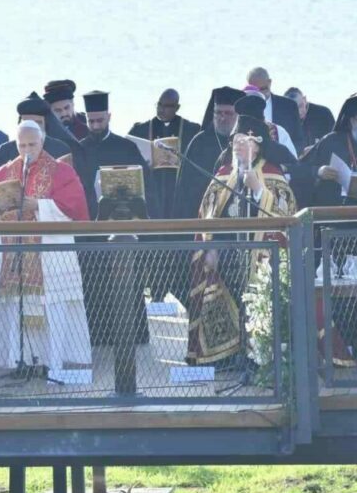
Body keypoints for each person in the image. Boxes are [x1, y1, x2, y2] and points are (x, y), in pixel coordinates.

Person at [186, 96, 297, 367]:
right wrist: (210, 247)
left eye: (246, 144)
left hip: (262, 257)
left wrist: (259, 190)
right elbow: (208, 212)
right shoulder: (224, 172)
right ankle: (225, 355)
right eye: (236, 143)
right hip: (227, 257)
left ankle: (261, 357)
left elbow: (285, 215)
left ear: (258, 146)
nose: (240, 149)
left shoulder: (272, 173)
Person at [0, 120, 92, 371]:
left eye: (32, 144)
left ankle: (56, 361)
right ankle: (15, 360)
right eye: (22, 145)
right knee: (14, 306)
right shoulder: (4, 172)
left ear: (42, 142)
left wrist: (39, 206)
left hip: (50, 257)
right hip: (13, 256)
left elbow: (74, 208)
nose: (27, 150)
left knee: (55, 305)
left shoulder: (61, 171)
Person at [126, 89, 202, 220]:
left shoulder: (191, 130)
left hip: (178, 191)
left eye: (167, 106)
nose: (161, 109)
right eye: (159, 104)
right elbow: (128, 156)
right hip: (151, 191)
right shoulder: (140, 129)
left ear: (177, 107)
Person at [173, 86, 246, 219]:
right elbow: (185, 190)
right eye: (218, 113)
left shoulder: (248, 141)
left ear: (239, 115)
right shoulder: (199, 142)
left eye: (228, 113)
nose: (222, 118)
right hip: (204, 215)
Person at [244, 66, 304, 150]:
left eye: (263, 89)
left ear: (269, 82)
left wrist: (287, 156)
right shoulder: (241, 108)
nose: (260, 93)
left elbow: (299, 141)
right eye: (255, 90)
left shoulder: (289, 106)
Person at [284, 87, 335, 151]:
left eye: (301, 106)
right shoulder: (283, 119)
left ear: (305, 100)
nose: (299, 112)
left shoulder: (324, 114)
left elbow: (335, 140)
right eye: (294, 109)